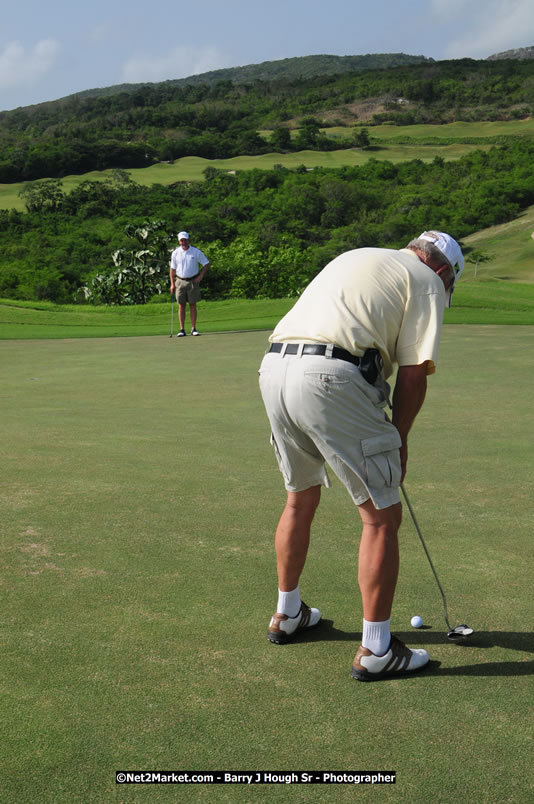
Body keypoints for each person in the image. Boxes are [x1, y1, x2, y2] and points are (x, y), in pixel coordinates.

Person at [258, 231, 464, 681]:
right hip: (331, 376)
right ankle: (377, 649)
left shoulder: (361, 255)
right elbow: (413, 375)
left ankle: (287, 613)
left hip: (274, 368)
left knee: (299, 498)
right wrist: (400, 439)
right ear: (443, 271)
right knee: (381, 517)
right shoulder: (428, 280)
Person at [169, 231, 210, 336]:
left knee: (192, 304)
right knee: (181, 305)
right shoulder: (175, 253)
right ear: (179, 241)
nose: (184, 242)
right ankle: (182, 329)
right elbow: (172, 270)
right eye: (181, 240)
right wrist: (172, 284)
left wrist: (200, 276)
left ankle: (193, 328)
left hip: (193, 281)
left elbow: (206, 264)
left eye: (185, 240)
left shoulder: (195, 252)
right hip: (180, 281)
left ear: (188, 240)